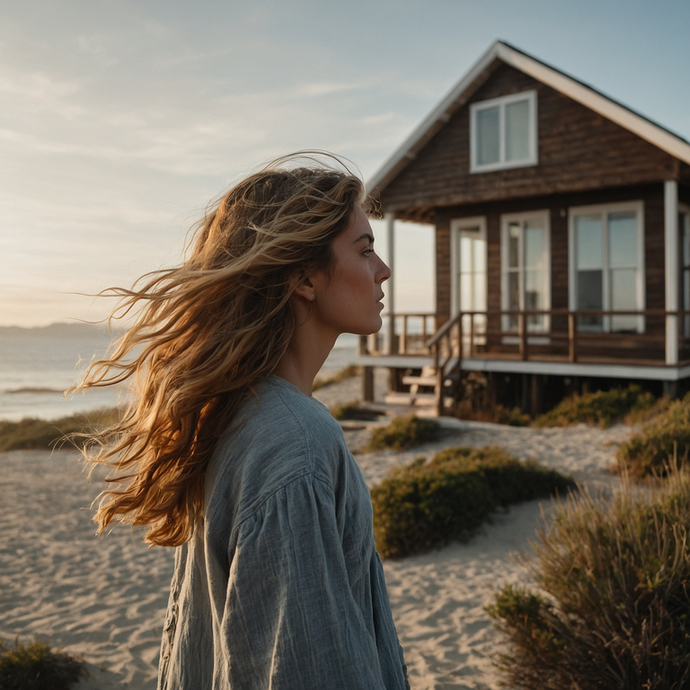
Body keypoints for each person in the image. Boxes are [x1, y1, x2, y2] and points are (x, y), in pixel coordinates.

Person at [78, 153, 409, 689]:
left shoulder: (234, 413)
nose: (383, 269)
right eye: (365, 249)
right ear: (304, 276)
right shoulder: (294, 443)